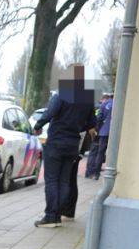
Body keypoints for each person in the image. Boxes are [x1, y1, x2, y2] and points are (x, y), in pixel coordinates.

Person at [33, 64, 96, 227]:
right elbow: (90, 124)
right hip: (73, 144)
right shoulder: (88, 99)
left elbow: (50, 112)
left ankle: (50, 216)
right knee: (64, 181)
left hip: (56, 142)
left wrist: (38, 125)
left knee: (52, 180)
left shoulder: (63, 93)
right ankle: (59, 215)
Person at [85, 92, 113, 179]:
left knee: (98, 152)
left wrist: (96, 130)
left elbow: (99, 118)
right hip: (114, 133)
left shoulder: (104, 104)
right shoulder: (117, 104)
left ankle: (94, 173)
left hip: (102, 132)